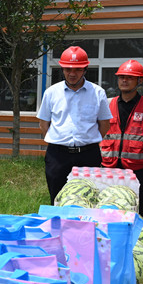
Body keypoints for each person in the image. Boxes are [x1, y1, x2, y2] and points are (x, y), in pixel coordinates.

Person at [37, 46, 112, 204]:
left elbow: (104, 124)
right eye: (68, 69)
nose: (72, 73)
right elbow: (44, 124)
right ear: (62, 69)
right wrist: (59, 140)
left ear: (85, 69)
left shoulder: (98, 93)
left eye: (77, 69)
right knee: (57, 200)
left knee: (88, 200)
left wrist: (87, 140)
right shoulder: (51, 93)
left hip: (88, 155)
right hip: (58, 156)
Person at [99, 60, 143, 220]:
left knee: (137, 206)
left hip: (137, 168)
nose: (124, 80)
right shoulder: (108, 103)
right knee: (108, 205)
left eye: (130, 77)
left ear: (140, 81)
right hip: (110, 165)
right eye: (121, 77)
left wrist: (142, 148)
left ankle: (138, 233)